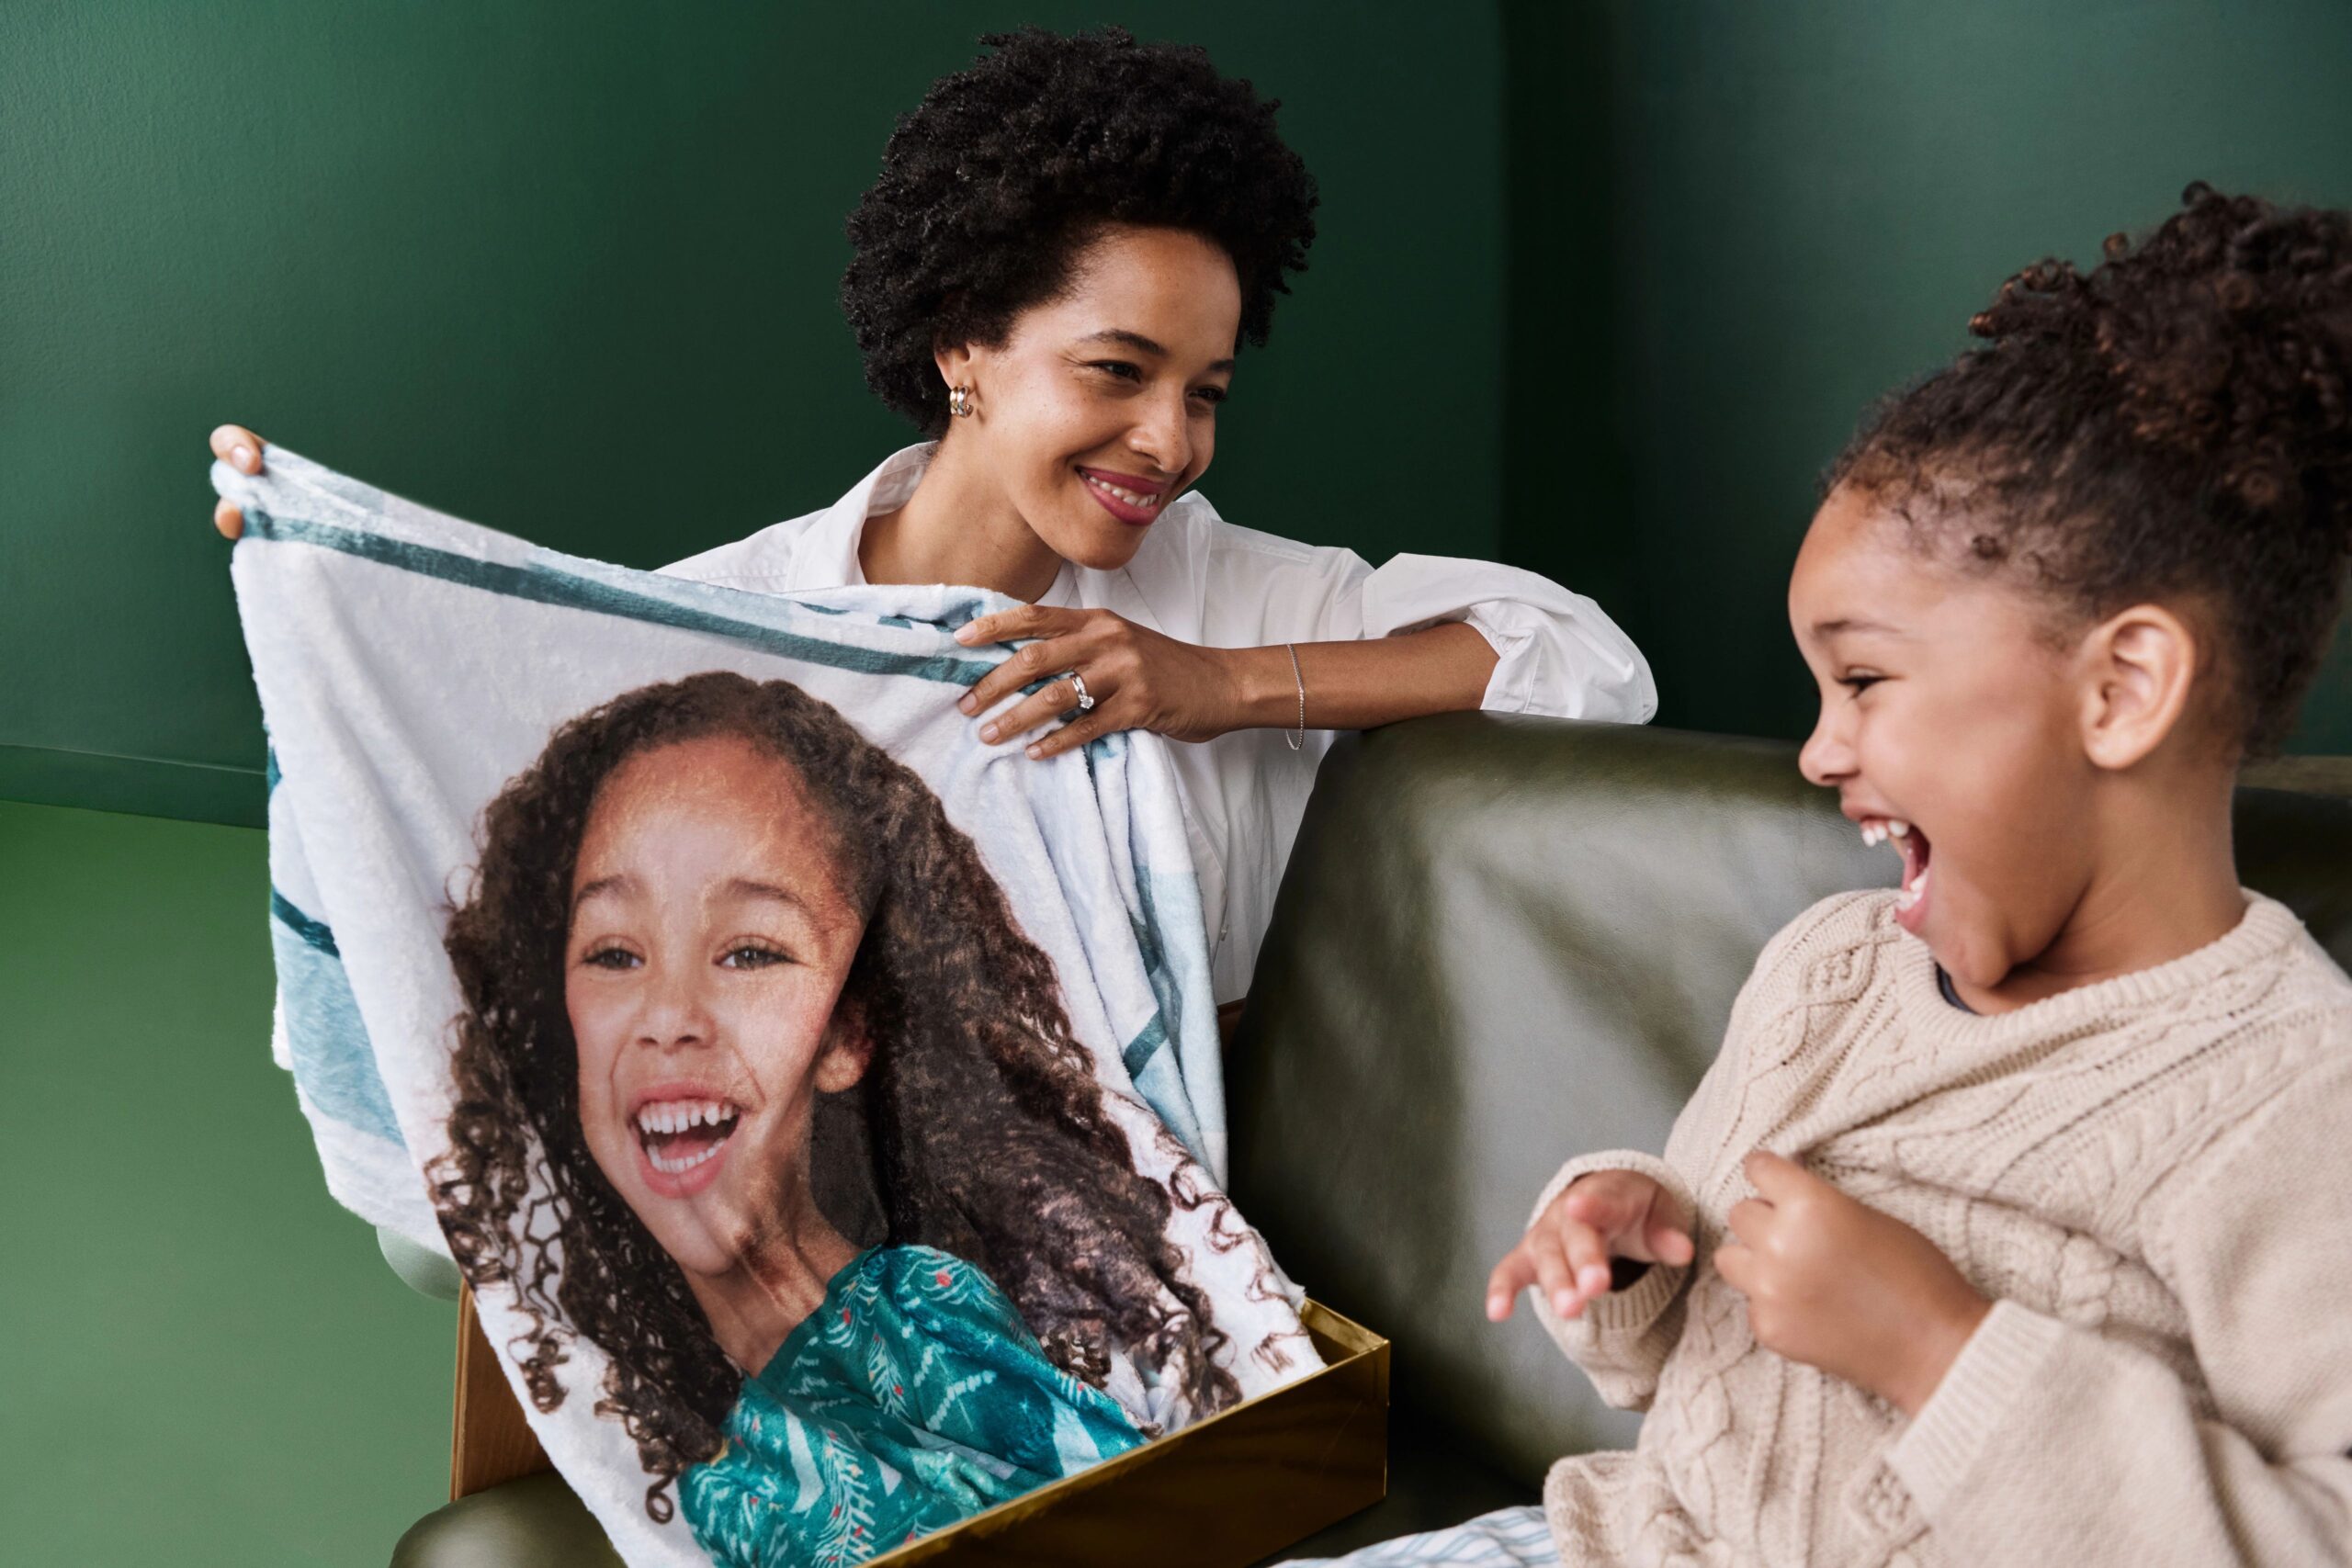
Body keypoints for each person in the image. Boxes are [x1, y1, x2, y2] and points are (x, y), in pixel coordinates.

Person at [1315, 185, 2352, 1565]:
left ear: (2121, 690)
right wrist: (1627, 1250)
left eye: (1863, 679)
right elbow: (1674, 1363)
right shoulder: (1833, 968)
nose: (1817, 751)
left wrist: (1938, 1348)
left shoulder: (2299, 1101)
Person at [210, 27, 1656, 1011]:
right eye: (1117, 372)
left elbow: (1586, 668)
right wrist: (323, 572)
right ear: (965, 342)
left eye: (1206, 392)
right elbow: (467, 777)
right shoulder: (744, 615)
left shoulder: (1226, 592)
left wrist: (1221, 686)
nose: (1172, 443)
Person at [431, 671, 1250, 1562]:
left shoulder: (931, 1313)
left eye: (750, 953)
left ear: (847, 1036)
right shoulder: (646, 1415)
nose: (669, 1018)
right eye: (616, 954)